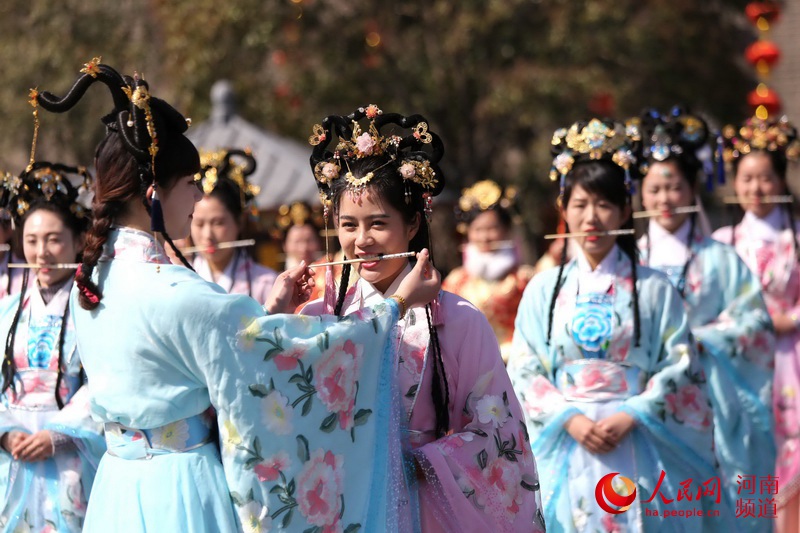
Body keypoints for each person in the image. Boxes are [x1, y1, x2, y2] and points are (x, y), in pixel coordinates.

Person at [34, 60, 440, 532]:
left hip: (117, 486)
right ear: (153, 195)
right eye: (190, 185)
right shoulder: (178, 293)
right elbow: (288, 359)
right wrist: (395, 305)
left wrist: (269, 313)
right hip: (180, 490)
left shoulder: (92, 280)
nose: (196, 199)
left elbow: (205, 352)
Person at [301, 105, 545, 532]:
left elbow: (497, 430)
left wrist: (421, 462)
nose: (362, 240)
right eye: (348, 225)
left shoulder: (459, 319)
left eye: (378, 223)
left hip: (430, 502)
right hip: (345, 502)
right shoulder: (318, 314)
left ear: (413, 224)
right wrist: (273, 315)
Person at [508, 119, 731, 531]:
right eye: (580, 205)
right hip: (565, 436)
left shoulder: (654, 288)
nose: (591, 218)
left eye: (604, 205)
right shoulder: (543, 288)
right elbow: (523, 366)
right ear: (563, 210)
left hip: (639, 434)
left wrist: (634, 412)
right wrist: (569, 418)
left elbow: (681, 364)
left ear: (626, 210)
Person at [636, 108, 775, 529]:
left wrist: (698, 340)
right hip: (647, 396)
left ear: (693, 189)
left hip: (713, 396)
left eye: (674, 187)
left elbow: (754, 322)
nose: (664, 199)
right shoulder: (631, 261)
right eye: (654, 188)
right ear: (640, 193)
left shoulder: (721, 257)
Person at [0, 162, 103, 532]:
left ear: (78, 241)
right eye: (31, 241)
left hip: (71, 454)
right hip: (13, 453)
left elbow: (104, 380)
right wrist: (5, 432)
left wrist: (59, 434)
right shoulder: (6, 311)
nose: (41, 252)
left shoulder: (94, 309)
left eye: (53, 239)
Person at [712, 115, 800, 532]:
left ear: (781, 180)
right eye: (747, 179)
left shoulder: (796, 237)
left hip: (790, 352)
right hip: (740, 358)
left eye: (765, 178)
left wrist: (788, 319)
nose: (756, 188)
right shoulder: (722, 242)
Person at [442, 180, 534, 363]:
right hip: (468, 363)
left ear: (506, 230)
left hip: (516, 361)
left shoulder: (524, 278)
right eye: (477, 230)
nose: (484, 237)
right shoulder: (455, 280)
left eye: (492, 229)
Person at [191, 149, 277, 301]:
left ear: (239, 221)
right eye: (199, 223)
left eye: (218, 223)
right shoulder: (182, 280)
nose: (207, 235)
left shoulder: (267, 284)